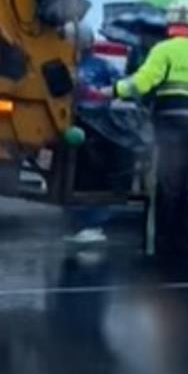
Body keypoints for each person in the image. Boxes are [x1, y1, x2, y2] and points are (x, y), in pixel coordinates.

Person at [109, 0, 188, 258]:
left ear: (170, 23)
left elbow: (142, 82)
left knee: (166, 186)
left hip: (172, 130)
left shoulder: (165, 50)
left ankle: (163, 245)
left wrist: (114, 90)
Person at [64, 24, 120, 245]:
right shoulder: (64, 65)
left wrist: (95, 95)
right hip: (75, 125)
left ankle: (93, 222)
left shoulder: (101, 66)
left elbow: (118, 90)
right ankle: (78, 220)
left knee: (91, 174)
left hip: (97, 127)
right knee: (75, 175)